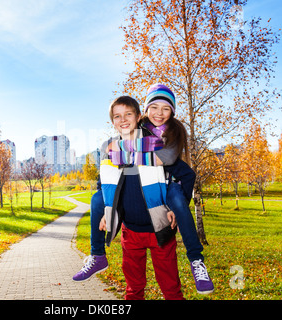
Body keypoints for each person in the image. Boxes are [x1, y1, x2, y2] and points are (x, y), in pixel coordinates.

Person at [73, 84, 214, 295]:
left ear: (138, 117)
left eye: (128, 114)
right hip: (131, 232)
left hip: (160, 229)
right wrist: (107, 211)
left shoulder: (158, 144)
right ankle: (97, 255)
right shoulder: (112, 148)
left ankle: (196, 260)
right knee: (134, 288)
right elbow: (107, 181)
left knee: (171, 288)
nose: (123, 120)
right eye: (117, 117)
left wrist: (178, 207)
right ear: (112, 122)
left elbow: (185, 173)